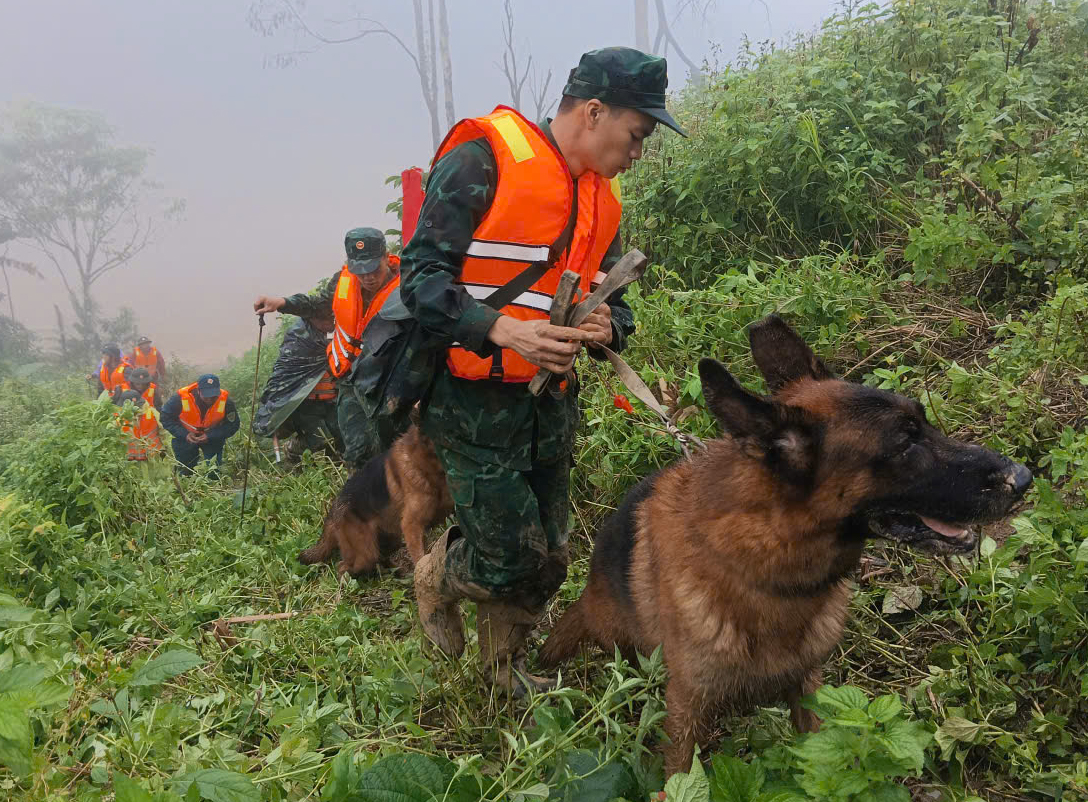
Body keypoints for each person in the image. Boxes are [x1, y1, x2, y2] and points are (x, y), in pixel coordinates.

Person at [403, 47, 685, 694]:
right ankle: (433, 577)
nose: (639, 152)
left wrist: (608, 324)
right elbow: (419, 281)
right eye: (637, 134)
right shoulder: (483, 160)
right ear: (593, 111)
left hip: (551, 403)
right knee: (508, 558)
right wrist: (500, 329)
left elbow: (614, 300)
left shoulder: (601, 203)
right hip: (472, 401)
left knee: (551, 559)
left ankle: (502, 672)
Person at [253, 227, 400, 466]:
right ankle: (363, 500)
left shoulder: (407, 286)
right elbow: (320, 305)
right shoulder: (342, 282)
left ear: (386, 256)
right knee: (357, 451)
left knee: (393, 446)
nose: (367, 277)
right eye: (360, 271)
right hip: (351, 380)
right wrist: (281, 303)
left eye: (374, 268)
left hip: (389, 380)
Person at [254, 313, 343, 456]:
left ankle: (333, 470)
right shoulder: (300, 342)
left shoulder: (339, 338)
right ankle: (292, 450)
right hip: (307, 404)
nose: (328, 323)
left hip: (333, 400)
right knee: (320, 439)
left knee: (341, 436)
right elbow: (283, 376)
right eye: (323, 318)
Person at [160, 374, 240, 477]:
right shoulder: (180, 398)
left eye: (213, 396)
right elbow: (165, 417)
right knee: (185, 472)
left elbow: (233, 425)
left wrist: (210, 435)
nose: (210, 400)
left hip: (213, 438)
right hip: (184, 436)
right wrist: (185, 434)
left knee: (213, 472)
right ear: (198, 391)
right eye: (206, 396)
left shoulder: (226, 402)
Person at [113, 389, 164, 462]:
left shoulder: (153, 414)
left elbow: (164, 434)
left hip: (154, 460)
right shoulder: (118, 417)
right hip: (129, 463)